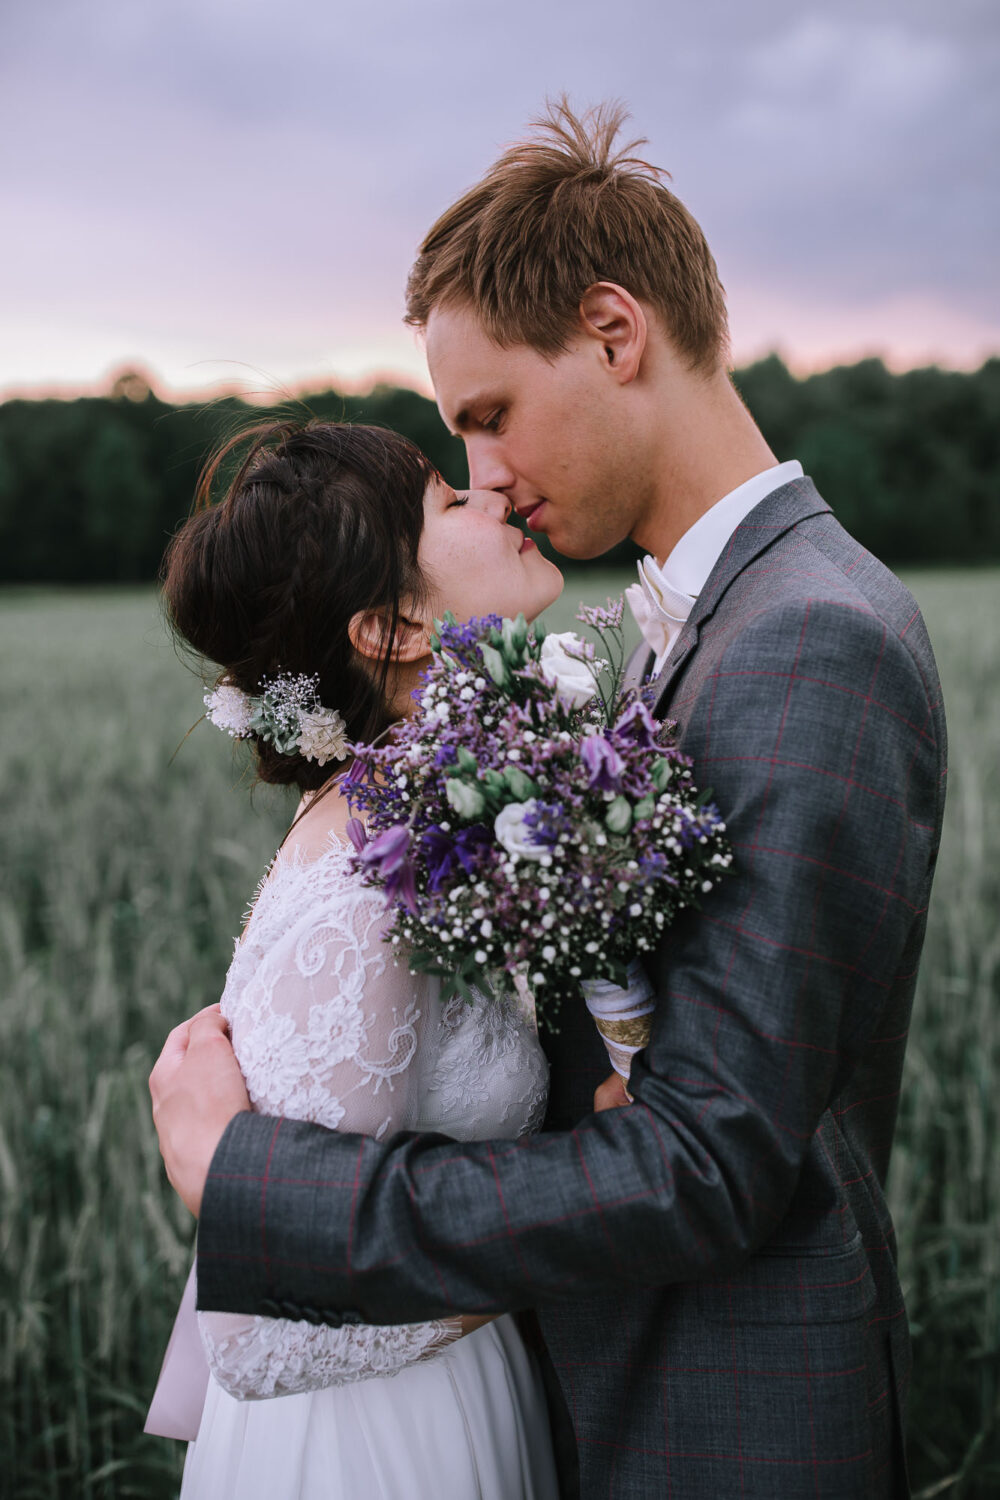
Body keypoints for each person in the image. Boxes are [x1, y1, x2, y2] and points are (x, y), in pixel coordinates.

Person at [151, 103, 947, 1498]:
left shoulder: (813, 635)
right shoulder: (686, 632)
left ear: (615, 331)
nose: (490, 481)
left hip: (729, 1427)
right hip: (607, 1394)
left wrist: (255, 1186)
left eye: (491, 416)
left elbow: (704, 1161)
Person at [155, 421, 564, 1498]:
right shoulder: (363, 881)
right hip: (374, 1449)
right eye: (444, 500)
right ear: (392, 627)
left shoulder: (435, 815)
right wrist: (569, 1254)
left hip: (457, 1394)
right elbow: (263, 1341)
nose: (488, 495)